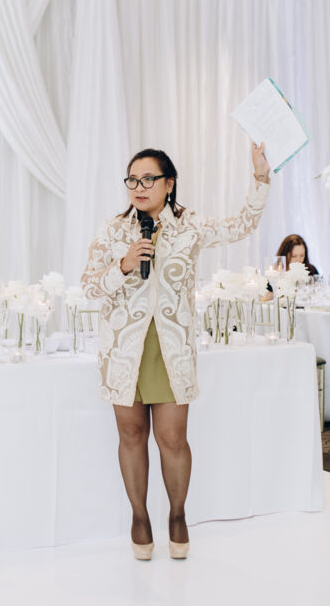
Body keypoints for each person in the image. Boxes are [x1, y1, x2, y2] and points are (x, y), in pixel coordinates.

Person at [80, 144, 270, 561]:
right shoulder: (114, 230)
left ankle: (178, 514)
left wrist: (259, 178)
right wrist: (124, 265)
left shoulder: (190, 226)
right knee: (131, 436)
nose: (139, 186)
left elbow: (242, 225)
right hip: (123, 350)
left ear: (169, 184)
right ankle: (139, 516)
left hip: (172, 349)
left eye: (149, 179)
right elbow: (89, 287)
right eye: (132, 179)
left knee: (173, 438)